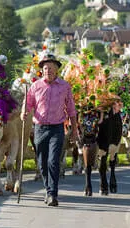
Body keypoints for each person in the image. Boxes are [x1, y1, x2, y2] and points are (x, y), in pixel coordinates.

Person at [20, 54, 78, 206]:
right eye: (45, 68)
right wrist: (24, 112)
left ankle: (52, 193)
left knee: (53, 161)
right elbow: (28, 103)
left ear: (57, 70)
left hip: (57, 128)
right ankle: (48, 189)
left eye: (51, 68)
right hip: (40, 128)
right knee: (42, 162)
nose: (48, 71)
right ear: (42, 70)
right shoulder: (35, 86)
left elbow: (71, 109)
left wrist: (75, 130)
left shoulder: (65, 86)